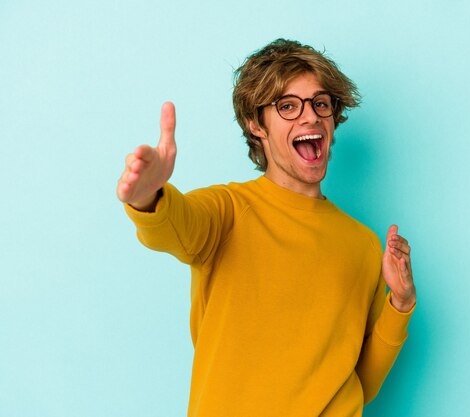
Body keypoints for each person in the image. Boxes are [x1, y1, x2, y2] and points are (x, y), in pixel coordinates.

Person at [116, 39, 416, 417]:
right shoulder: (227, 211)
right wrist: (149, 196)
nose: (310, 117)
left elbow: (361, 383)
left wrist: (400, 305)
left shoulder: (363, 245)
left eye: (320, 103)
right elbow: (174, 225)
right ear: (255, 124)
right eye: (288, 106)